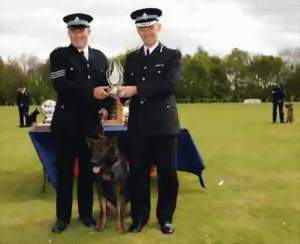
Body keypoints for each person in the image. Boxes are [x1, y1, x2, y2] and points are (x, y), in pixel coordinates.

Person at [118, 8, 182, 234]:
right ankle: (139, 217)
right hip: (139, 125)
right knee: (138, 173)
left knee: (167, 174)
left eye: (150, 27)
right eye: (142, 28)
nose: (146, 32)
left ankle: (165, 218)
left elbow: (169, 85)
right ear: (138, 31)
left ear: (159, 27)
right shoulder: (132, 58)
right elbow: (127, 89)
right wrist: (119, 94)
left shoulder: (172, 55)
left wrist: (135, 89)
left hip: (164, 124)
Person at [49, 13, 113, 233]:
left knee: (88, 174)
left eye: (82, 30)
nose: (78, 34)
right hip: (66, 125)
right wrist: (91, 93)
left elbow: (106, 88)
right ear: (69, 33)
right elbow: (61, 86)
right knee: (65, 174)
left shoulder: (100, 57)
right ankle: (62, 218)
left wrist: (107, 107)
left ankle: (86, 215)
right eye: (74, 30)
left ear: (89, 32)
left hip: (91, 127)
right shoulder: (59, 55)